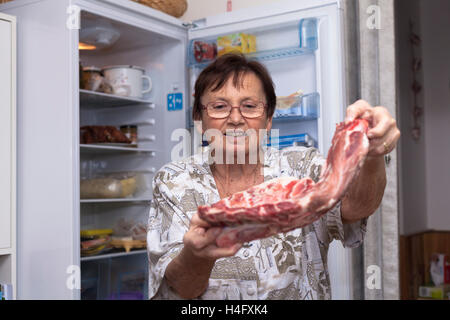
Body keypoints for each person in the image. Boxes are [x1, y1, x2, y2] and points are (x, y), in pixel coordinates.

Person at [147, 53, 400, 300]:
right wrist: (196, 255)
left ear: (268, 119)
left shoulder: (301, 166)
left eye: (249, 106)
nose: (235, 119)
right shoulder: (173, 181)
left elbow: (356, 206)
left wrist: (373, 154)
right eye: (219, 107)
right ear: (199, 120)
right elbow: (180, 291)